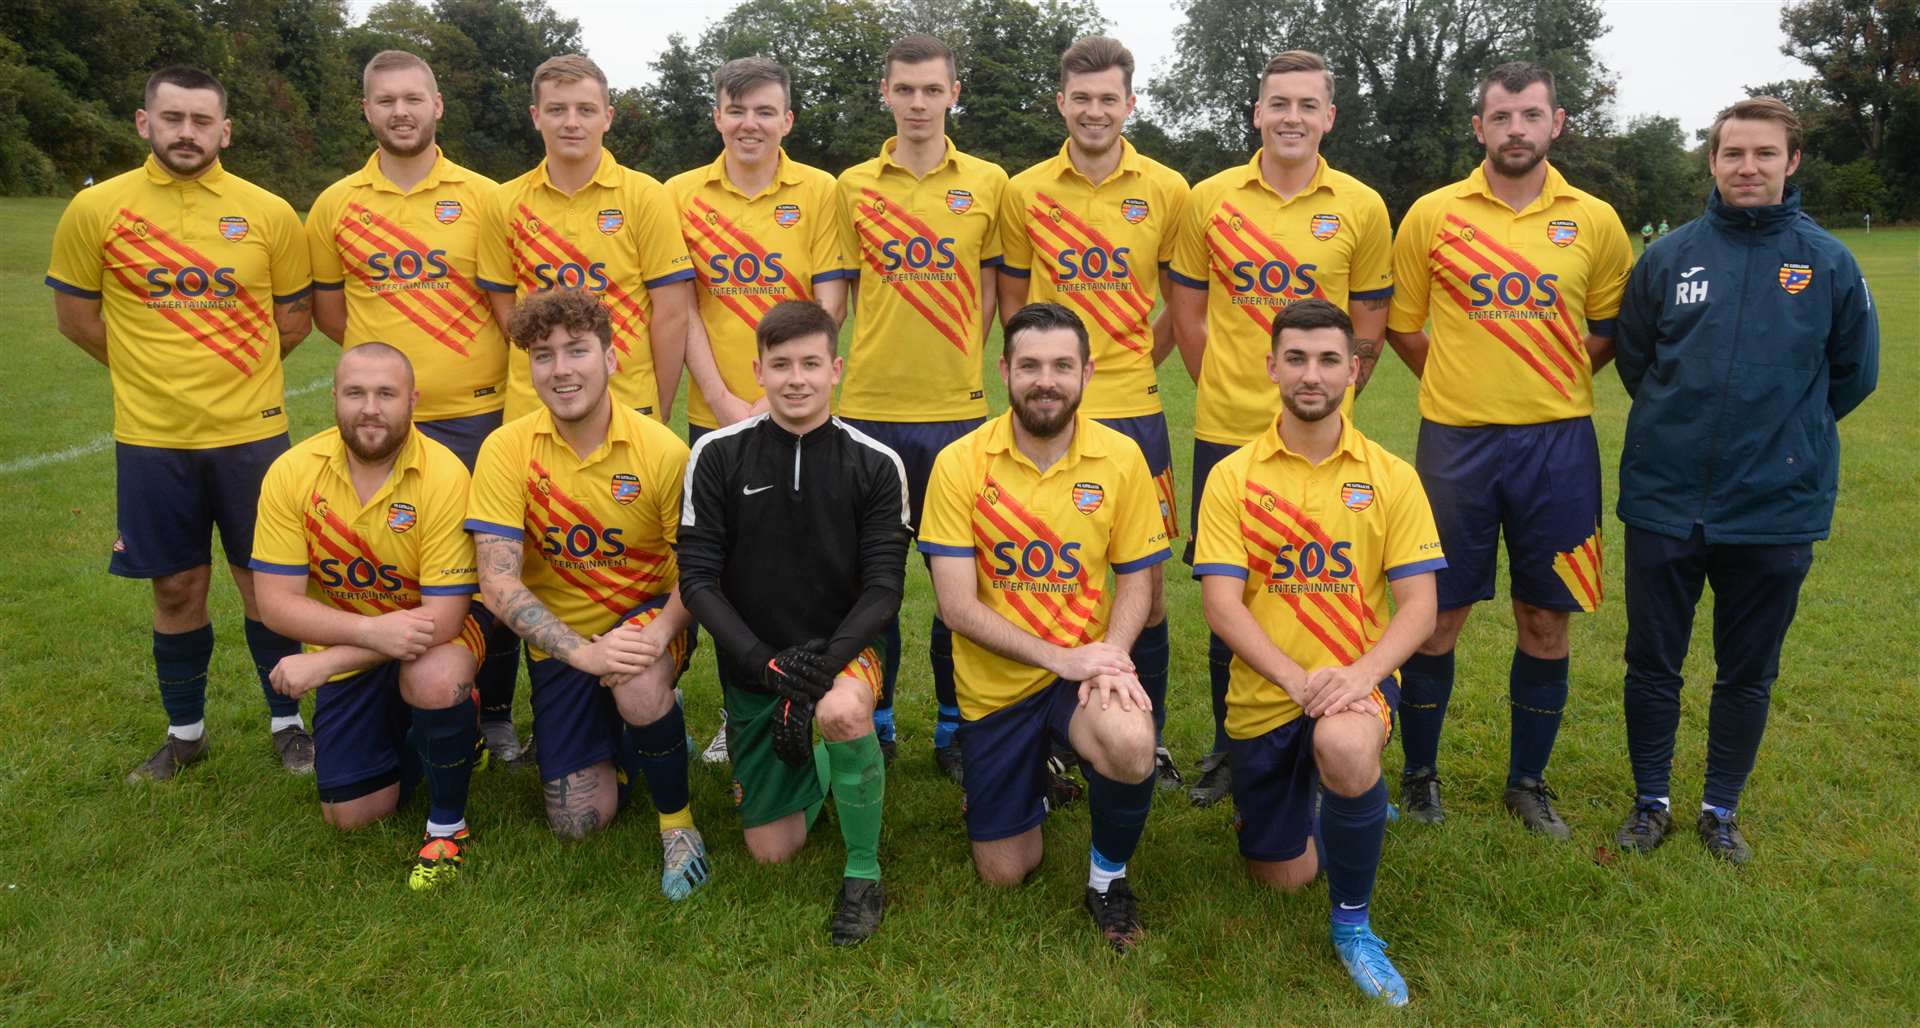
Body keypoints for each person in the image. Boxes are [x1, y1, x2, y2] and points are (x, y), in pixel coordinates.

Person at [1611, 97, 1878, 864]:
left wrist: (1787, 440)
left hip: (1775, 508)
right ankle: (1650, 802)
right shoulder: (1669, 257)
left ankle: (1719, 808)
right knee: (1651, 661)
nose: (1748, 167)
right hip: (1666, 497)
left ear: (1792, 162)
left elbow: (1853, 375)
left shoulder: (1828, 262)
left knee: (1748, 670)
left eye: (1765, 154)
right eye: (1734, 154)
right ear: (1713, 162)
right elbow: (1638, 360)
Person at [46, 65, 317, 782]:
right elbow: (76, 318)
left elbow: (293, 319)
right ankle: (186, 734)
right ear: (145, 123)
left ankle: (288, 725)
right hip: (152, 440)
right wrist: (148, 372)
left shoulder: (268, 211)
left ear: (225, 130)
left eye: (202, 121)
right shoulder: (98, 209)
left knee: (268, 588)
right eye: (173, 119)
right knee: (176, 589)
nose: (187, 133)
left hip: (253, 437)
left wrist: (234, 371)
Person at [1385, 61, 1632, 837]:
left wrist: (1545, 381)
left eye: (1531, 115)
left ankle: (1527, 783)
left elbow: (1607, 328)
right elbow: (1403, 323)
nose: (1516, 129)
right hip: (1455, 445)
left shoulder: (1594, 219)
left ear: (1556, 123)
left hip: (1557, 446)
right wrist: (1462, 383)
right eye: (1502, 117)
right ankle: (1420, 776)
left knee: (1545, 617)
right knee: (1436, 615)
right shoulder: (1431, 214)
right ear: (1479, 127)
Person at [1194, 299, 1443, 1006]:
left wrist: (1360, 677)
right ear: (1270, 365)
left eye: (1330, 359)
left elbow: (1420, 607)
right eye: (1296, 358)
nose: (1312, 374)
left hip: (1353, 685)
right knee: (1284, 875)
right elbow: (1220, 604)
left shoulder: (1391, 476)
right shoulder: (1233, 477)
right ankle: (1333, 804)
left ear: (1356, 370)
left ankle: (1354, 925)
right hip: (1269, 692)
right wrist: (1298, 679)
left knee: (1343, 744)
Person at [1166, 49, 1394, 807]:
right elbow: (1191, 316)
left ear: (1329, 117)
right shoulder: (1209, 199)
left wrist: (1331, 397)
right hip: (1229, 432)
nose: (1292, 117)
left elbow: (1369, 322)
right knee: (1229, 591)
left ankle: (1340, 722)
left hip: (1327, 442)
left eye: (1307, 105)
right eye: (1278, 104)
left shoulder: (1361, 205)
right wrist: (1228, 389)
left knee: (1329, 584)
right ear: (1257, 114)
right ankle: (1233, 748)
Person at [919, 302, 1169, 953]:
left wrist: (1110, 655)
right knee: (1005, 873)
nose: (1046, 380)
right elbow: (955, 607)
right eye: (1030, 365)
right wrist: (1061, 657)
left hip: (1081, 672)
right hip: (998, 688)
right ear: (1003, 370)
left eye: (1062, 365)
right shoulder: (959, 463)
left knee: (1131, 742)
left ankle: (1108, 880)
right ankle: (1032, 774)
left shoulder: (1120, 458)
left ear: (1087, 372)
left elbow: (1139, 581)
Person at [306, 49, 526, 765]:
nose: (400, 111)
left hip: (476, 417)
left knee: (487, 574)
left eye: (413, 98)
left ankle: (491, 709)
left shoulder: (487, 197)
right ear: (366, 110)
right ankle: (402, 707)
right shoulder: (337, 203)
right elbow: (333, 312)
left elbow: (505, 304)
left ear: (437, 106)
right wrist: (389, 388)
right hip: (381, 425)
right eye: (384, 100)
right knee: (387, 568)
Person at [465, 288, 712, 901]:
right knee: (578, 823)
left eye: (577, 350)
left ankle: (678, 826)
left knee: (635, 678)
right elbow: (497, 582)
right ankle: (643, 735)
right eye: (544, 355)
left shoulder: (661, 450)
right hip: (565, 641)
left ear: (611, 358)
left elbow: (698, 577)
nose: (561, 369)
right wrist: (581, 654)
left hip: (648, 619)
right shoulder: (505, 448)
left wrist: (654, 637)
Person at [676, 300, 908, 944]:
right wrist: (763, 663)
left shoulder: (876, 462)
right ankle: (821, 760)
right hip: (757, 665)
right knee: (771, 850)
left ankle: (862, 873)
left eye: (811, 363)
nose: (796, 378)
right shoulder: (717, 455)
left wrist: (823, 669)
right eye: (781, 365)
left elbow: (886, 589)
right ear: (759, 370)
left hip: (842, 653)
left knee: (842, 712)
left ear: (836, 369)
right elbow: (697, 582)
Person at [998, 36, 1191, 792]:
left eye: (1109, 97)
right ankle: (1052, 731)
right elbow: (1016, 304)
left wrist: (1139, 365)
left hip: (1136, 415)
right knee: (1048, 574)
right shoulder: (1025, 190)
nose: (1095, 110)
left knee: (1145, 588)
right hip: (1048, 415)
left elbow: (1179, 303)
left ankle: (1150, 731)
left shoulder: (1167, 188)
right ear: (1061, 103)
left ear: (1130, 103)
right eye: (1081, 98)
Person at [667, 56, 856, 765]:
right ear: (717, 115)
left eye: (765, 110)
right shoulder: (680, 194)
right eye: (736, 110)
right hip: (715, 415)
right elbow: (679, 307)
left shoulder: (819, 191)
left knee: (808, 565)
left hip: (799, 404)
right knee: (731, 573)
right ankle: (740, 703)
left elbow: (828, 300)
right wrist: (723, 399)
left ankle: (842, 696)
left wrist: (781, 389)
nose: (751, 123)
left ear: (788, 119)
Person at [250, 344, 486, 890]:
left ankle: (447, 826)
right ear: (334, 397)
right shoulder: (292, 472)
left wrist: (326, 661)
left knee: (435, 677)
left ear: (413, 402)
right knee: (350, 816)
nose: (370, 408)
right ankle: (445, 739)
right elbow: (275, 603)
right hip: (360, 637)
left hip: (432, 639)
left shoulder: (445, 475)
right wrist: (366, 632)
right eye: (356, 393)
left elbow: (445, 619)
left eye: (387, 394)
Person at [836, 34, 1007, 776]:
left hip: (957, 414)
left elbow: (997, 285)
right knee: (871, 586)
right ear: (885, 92)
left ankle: (953, 724)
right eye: (904, 89)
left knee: (956, 586)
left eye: (930, 90)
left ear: (953, 94)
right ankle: (874, 719)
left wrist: (964, 358)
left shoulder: (990, 183)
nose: (917, 103)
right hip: (868, 412)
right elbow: (837, 294)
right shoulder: (851, 186)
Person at [476, 53, 696, 423]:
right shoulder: (503, 201)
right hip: (533, 408)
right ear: (536, 116)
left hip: (627, 401)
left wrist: (656, 406)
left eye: (586, 110)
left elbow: (673, 315)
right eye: (557, 109)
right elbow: (507, 314)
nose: (572, 123)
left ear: (607, 118)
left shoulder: (645, 195)